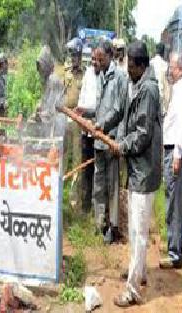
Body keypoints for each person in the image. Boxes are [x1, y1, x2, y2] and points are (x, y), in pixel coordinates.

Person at [103, 40, 161, 307]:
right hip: (137, 169)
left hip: (144, 170)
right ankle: (140, 271)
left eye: (130, 65)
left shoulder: (148, 90)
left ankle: (133, 290)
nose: (127, 70)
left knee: (137, 231)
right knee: (137, 228)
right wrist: (102, 126)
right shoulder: (135, 85)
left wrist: (121, 146)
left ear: (140, 65)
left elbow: (143, 134)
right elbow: (122, 114)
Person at [160, 53, 182, 269]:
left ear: (179, 69)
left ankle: (175, 253)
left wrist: (178, 155)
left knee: (174, 202)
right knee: (171, 198)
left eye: (171, 67)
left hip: (176, 150)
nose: (169, 71)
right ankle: (173, 247)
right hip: (172, 150)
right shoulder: (178, 90)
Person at [94, 40, 127, 243]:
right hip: (98, 139)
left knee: (113, 185)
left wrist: (118, 140)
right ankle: (100, 223)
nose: (97, 61)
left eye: (100, 57)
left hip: (111, 139)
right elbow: (101, 106)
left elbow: (119, 111)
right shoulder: (101, 76)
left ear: (110, 56)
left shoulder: (120, 77)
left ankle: (113, 227)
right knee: (99, 184)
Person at [75, 48, 101, 213]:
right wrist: (81, 113)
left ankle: (97, 206)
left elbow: (101, 106)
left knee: (99, 170)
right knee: (86, 168)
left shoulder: (106, 75)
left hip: (100, 130)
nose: (93, 62)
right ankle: (85, 207)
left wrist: (88, 111)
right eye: (91, 59)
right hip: (86, 129)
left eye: (96, 59)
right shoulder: (88, 74)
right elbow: (82, 98)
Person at [63, 38, 84, 209]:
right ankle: (58, 195)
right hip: (64, 118)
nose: (73, 57)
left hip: (77, 120)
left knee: (77, 160)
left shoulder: (85, 74)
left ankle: (73, 199)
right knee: (62, 157)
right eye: (71, 54)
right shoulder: (65, 72)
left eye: (76, 54)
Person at [150, 42, 168, 116]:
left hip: (151, 96)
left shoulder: (150, 63)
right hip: (160, 97)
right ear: (163, 52)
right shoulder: (165, 65)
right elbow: (166, 87)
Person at [0, 53, 8, 117]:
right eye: (1, 64)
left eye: (4, 63)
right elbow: (1, 90)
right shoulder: (0, 76)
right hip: (2, 102)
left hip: (5, 100)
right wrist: (2, 101)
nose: (3, 65)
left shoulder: (6, 75)